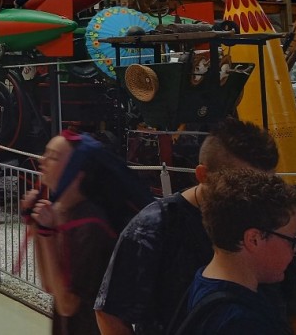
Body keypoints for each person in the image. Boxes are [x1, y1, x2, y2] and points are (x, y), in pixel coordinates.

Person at [95, 119, 282, 335]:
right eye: (241, 184)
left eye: (266, 184)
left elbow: (290, 301)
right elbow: (110, 313)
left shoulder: (269, 218)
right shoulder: (157, 226)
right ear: (203, 175)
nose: (255, 197)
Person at [175, 168, 296, 334]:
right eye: (291, 241)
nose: (294, 251)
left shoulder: (206, 279)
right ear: (254, 239)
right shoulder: (242, 323)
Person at [21, 131, 118, 335]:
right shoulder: (61, 213)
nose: (42, 160)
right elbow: (50, 285)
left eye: (53, 157)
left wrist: (46, 233)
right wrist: (37, 226)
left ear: (77, 172)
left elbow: (67, 305)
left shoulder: (91, 225)